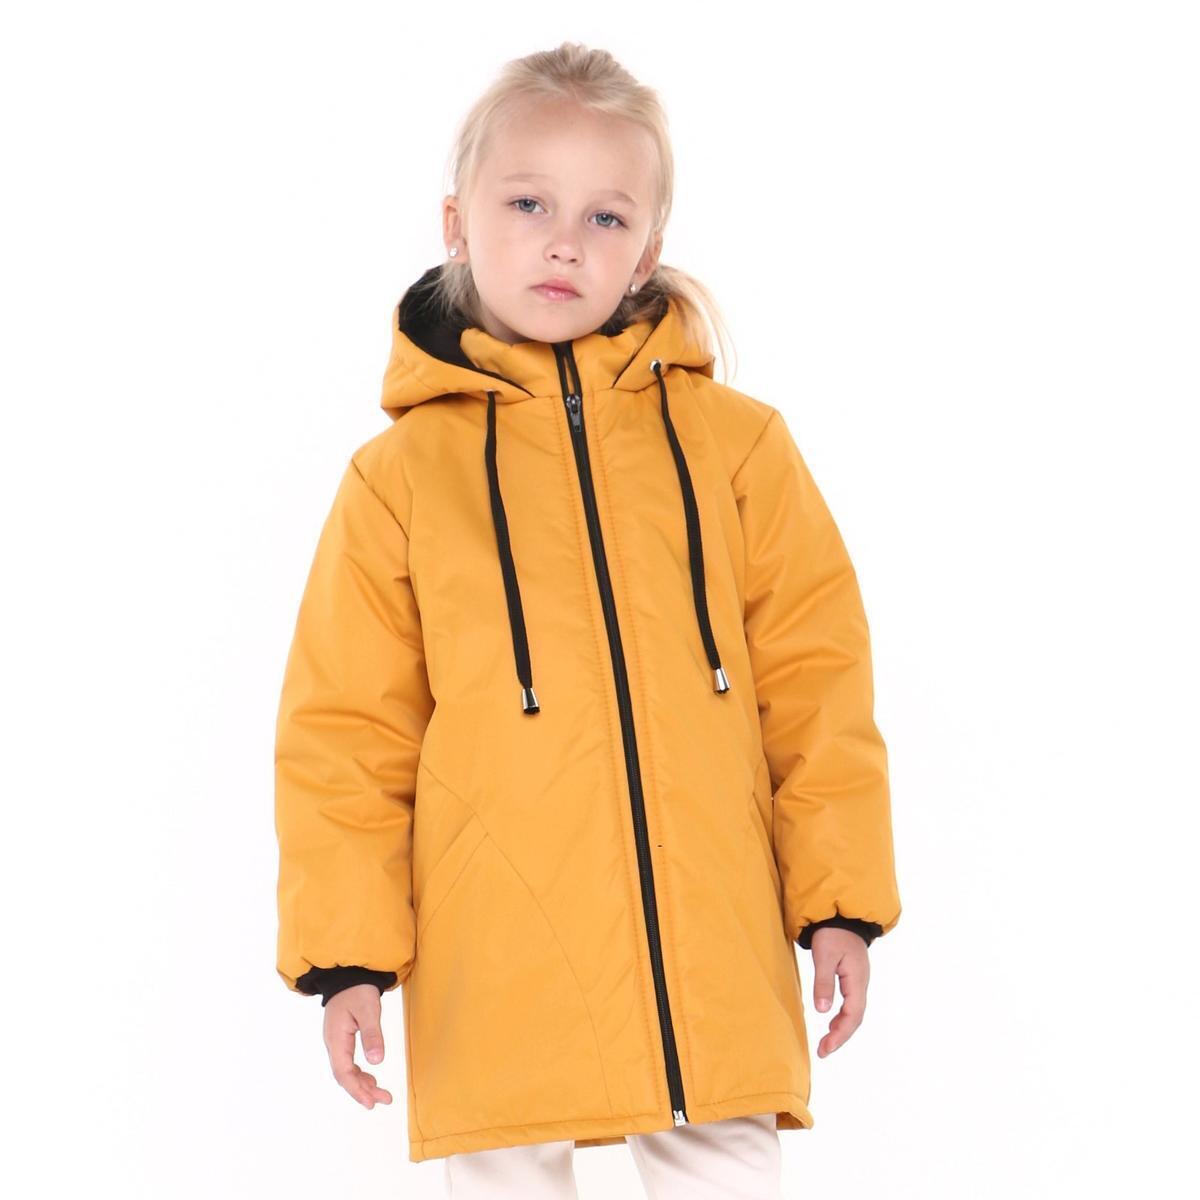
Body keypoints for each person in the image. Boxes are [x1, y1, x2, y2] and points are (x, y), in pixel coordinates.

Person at [274, 40, 901, 1199]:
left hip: (711, 945)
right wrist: (347, 955)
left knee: (725, 1162)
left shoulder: (738, 449)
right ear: (458, 223)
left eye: (606, 217)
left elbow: (816, 683)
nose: (565, 241)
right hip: (495, 948)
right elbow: (346, 733)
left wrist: (838, 902)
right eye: (529, 204)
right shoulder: (398, 482)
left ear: (647, 251)